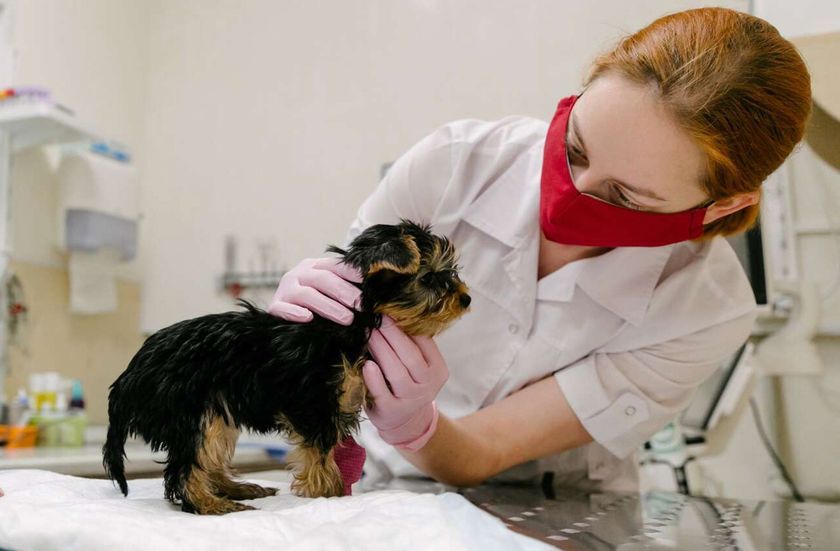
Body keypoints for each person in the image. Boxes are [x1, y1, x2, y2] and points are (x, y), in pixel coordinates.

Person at [269, 7, 811, 492]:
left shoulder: (705, 310)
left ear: (720, 205)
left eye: (624, 195)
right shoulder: (456, 165)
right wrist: (304, 323)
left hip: (553, 508)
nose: (574, 188)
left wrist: (417, 425)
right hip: (380, 485)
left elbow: (482, 452)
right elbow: (338, 330)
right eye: (575, 148)